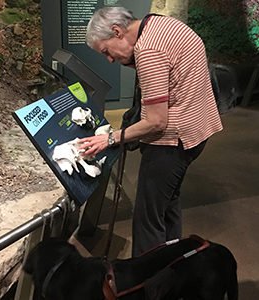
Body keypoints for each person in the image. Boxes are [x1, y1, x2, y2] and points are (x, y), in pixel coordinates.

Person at [79, 7, 223, 256]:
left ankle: (146, 285)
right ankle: (172, 265)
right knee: (167, 205)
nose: (110, 60)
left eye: (106, 51)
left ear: (117, 32)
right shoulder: (161, 25)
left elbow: (156, 122)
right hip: (198, 129)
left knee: (148, 220)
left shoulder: (149, 50)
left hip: (173, 141)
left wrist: (110, 139)